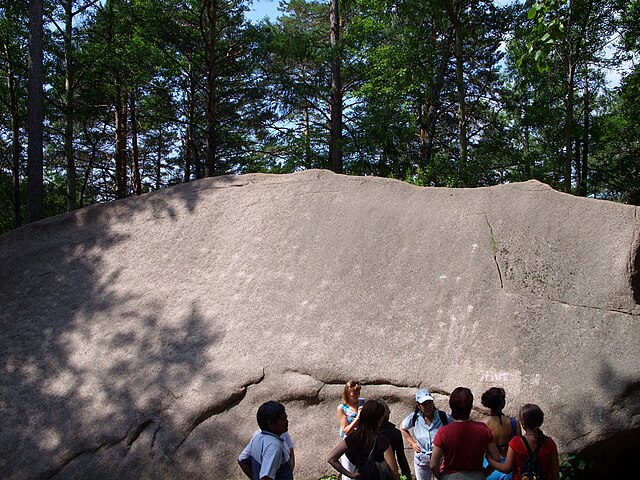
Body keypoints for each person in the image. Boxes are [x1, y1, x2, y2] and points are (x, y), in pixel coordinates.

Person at [429, 387, 500, 480]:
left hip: (450, 476)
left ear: (451, 406)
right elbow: (496, 458)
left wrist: (440, 477)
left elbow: (433, 464)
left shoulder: (443, 432)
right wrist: (484, 474)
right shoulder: (483, 429)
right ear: (470, 407)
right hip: (476, 475)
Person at [328, 399, 400, 480]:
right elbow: (394, 471)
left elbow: (331, 458)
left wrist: (350, 474)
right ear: (378, 419)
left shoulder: (353, 437)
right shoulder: (382, 440)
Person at [486, 404, 559, 480]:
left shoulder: (515, 442)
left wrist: (490, 460)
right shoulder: (550, 443)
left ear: (523, 423)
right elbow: (555, 473)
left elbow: (506, 469)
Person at [401, 388, 453, 480]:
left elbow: (454, 428)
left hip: (439, 459)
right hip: (422, 460)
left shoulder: (443, 416)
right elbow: (403, 427)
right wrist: (412, 443)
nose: (428, 406)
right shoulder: (414, 418)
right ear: (419, 405)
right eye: (424, 404)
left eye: (429, 403)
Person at [238, 401, 293, 480]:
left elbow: (242, 460)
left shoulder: (257, 437)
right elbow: (266, 477)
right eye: (283, 419)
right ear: (271, 424)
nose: (287, 421)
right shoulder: (274, 446)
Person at [480, 387, 521, 480]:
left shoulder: (482, 424)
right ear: (503, 403)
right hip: (510, 467)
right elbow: (519, 448)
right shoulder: (514, 423)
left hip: (489, 467)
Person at [378, 398, 412, 479]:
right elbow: (401, 457)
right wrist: (407, 475)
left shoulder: (366, 432)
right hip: (388, 470)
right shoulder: (394, 432)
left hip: (369, 470)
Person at [337, 380, 363, 479]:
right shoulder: (342, 408)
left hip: (361, 440)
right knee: (348, 471)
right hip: (349, 442)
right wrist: (358, 418)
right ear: (347, 393)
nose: (356, 396)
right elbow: (346, 430)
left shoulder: (362, 402)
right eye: (354, 393)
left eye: (358, 393)